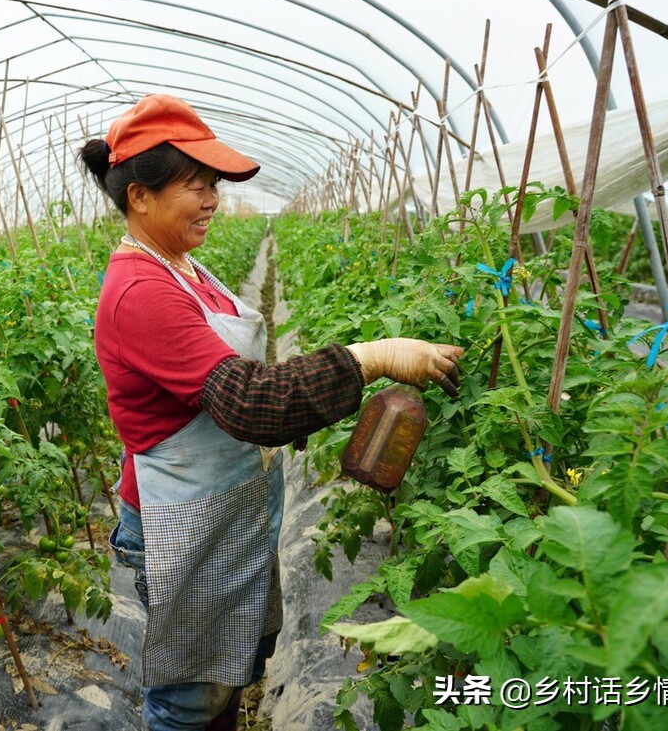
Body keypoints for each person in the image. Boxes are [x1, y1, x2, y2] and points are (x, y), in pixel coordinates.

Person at [77, 94, 463, 731]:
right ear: (139, 196)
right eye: (195, 186)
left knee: (224, 678)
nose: (211, 200)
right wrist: (374, 357)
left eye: (213, 186)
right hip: (179, 517)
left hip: (222, 505)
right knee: (187, 698)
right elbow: (252, 402)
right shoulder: (141, 291)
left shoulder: (181, 267)